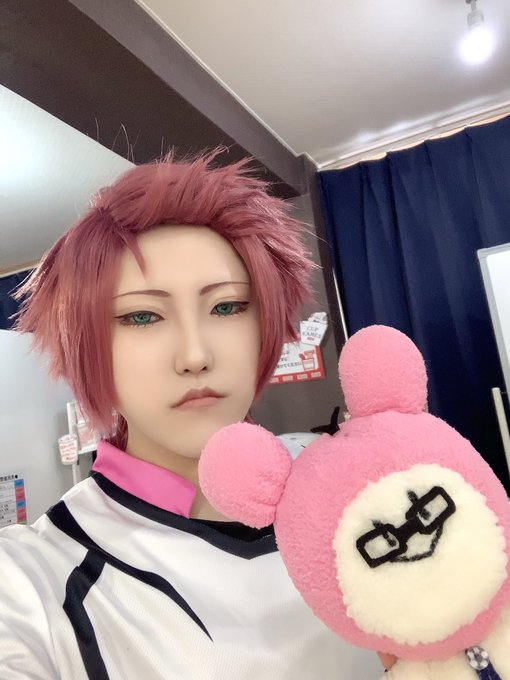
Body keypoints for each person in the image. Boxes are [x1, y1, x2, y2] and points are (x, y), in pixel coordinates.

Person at [0, 151, 384, 679]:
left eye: (227, 306)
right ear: (87, 348)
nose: (195, 355)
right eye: (142, 316)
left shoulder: (354, 486)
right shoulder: (34, 579)